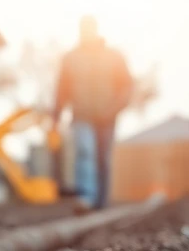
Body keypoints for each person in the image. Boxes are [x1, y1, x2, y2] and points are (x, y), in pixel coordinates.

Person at [52, 16, 133, 209]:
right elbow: (61, 89)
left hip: (107, 116)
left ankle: (101, 202)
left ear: (96, 30)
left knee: (102, 158)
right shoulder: (71, 58)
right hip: (81, 114)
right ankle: (86, 198)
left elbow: (127, 86)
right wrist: (56, 115)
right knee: (84, 151)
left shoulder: (113, 56)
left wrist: (115, 108)